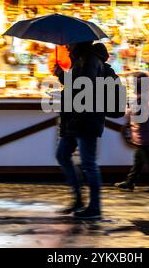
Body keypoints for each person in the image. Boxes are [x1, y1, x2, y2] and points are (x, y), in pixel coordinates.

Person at [54, 41, 109, 220]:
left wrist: (63, 76)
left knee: (89, 164)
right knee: (63, 155)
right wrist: (63, 76)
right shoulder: (81, 60)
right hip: (75, 119)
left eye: (69, 44)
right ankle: (78, 199)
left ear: (79, 43)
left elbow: (84, 90)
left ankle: (95, 208)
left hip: (86, 119)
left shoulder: (90, 61)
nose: (67, 47)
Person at [115, 71, 149, 193]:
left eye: (134, 82)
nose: (132, 85)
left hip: (144, 133)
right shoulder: (148, 95)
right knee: (139, 160)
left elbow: (137, 115)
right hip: (146, 132)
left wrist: (127, 110)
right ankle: (130, 182)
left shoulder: (141, 97)